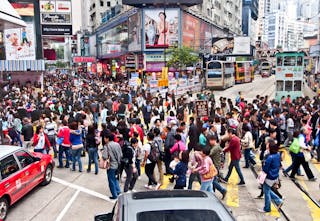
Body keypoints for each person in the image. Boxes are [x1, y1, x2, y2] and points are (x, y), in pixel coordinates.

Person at [258, 142, 283, 213]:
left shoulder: (270, 158)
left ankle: (267, 208)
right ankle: (279, 201)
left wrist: (261, 176)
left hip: (268, 177)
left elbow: (265, 168)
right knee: (267, 190)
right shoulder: (278, 155)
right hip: (275, 176)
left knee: (266, 192)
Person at [102, 133, 122, 200]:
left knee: (111, 180)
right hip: (118, 164)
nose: (104, 139)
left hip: (111, 165)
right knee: (115, 178)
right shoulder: (117, 144)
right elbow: (121, 154)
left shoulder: (106, 146)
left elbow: (105, 157)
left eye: (105, 138)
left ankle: (114, 195)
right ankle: (118, 191)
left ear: (107, 138)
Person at [208, 135, 227, 199]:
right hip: (217, 165)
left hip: (215, 166)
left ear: (213, 140)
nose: (209, 142)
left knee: (212, 180)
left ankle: (222, 190)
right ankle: (212, 193)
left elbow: (209, 154)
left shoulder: (215, 148)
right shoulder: (217, 146)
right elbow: (222, 155)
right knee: (214, 180)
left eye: (210, 140)